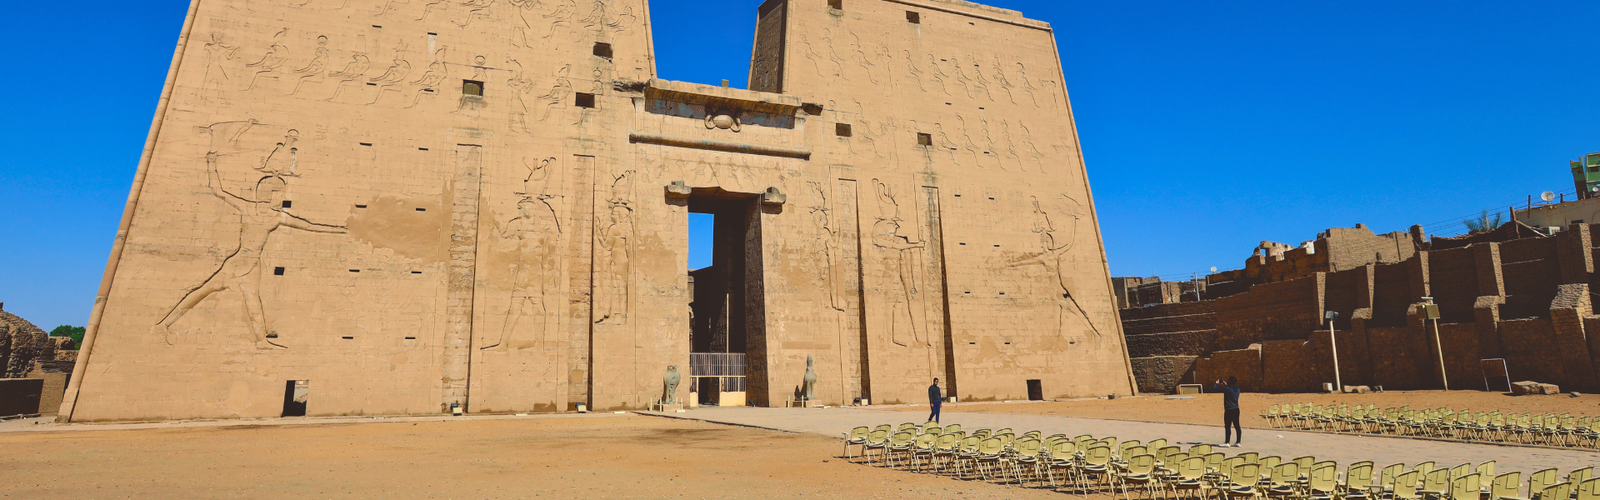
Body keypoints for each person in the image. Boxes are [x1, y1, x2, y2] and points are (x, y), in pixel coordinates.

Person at [1214, 376, 1242, 447]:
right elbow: (1230, 390)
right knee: (1237, 426)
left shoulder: (1227, 389)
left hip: (1229, 410)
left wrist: (1216, 383)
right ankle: (1238, 442)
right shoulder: (1237, 389)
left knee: (1228, 426)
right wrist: (1226, 385)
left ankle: (1227, 442)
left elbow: (1215, 389)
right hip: (1236, 409)